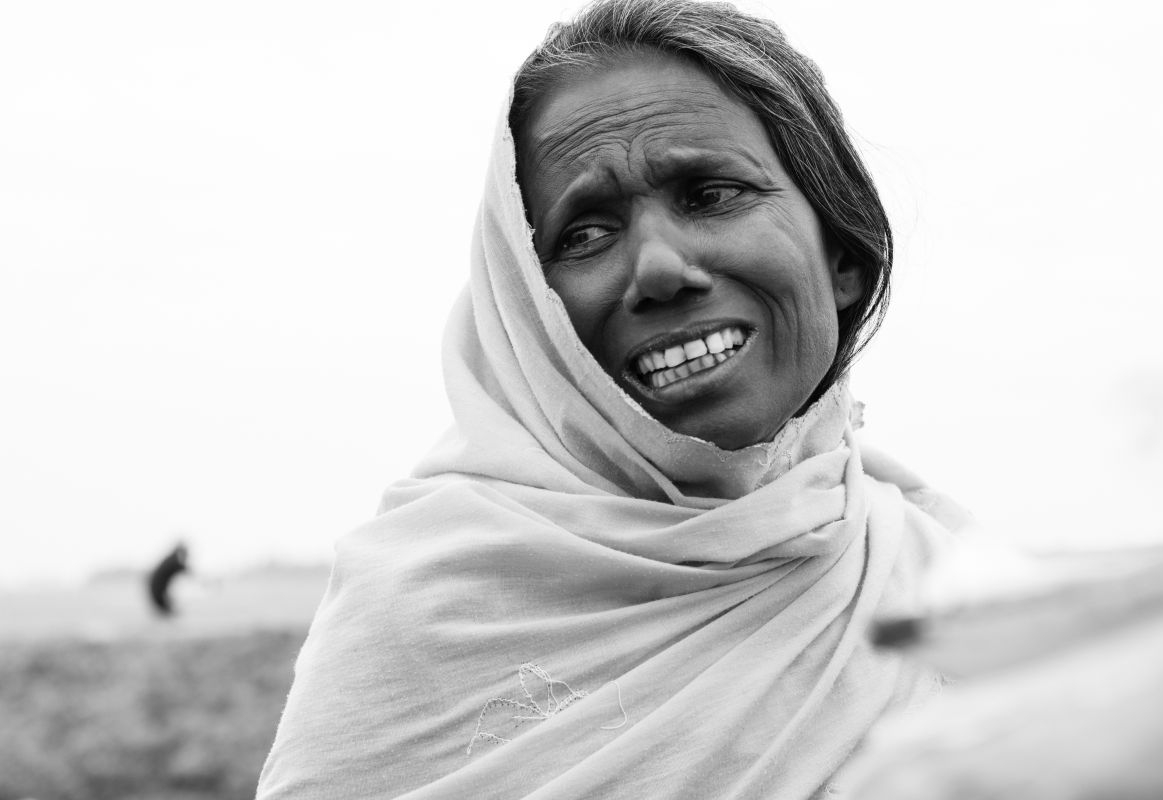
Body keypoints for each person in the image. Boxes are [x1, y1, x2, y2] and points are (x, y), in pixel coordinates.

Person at [257, 0, 968, 797]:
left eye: (710, 193)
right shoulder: (429, 617)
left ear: (840, 253)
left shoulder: (950, 592)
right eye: (585, 233)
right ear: (527, 308)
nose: (660, 269)